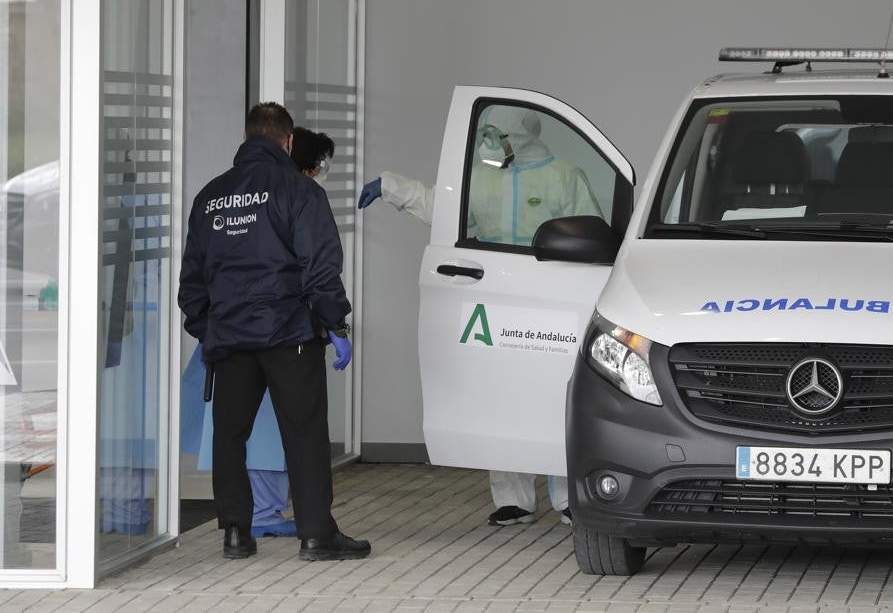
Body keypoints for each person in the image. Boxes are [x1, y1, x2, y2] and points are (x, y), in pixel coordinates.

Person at [358, 105, 601, 527]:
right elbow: (441, 207)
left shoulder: (563, 176)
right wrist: (392, 187)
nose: (490, 143)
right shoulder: (481, 177)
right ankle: (514, 499)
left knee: (554, 394)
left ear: (519, 136)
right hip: (496, 297)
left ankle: (567, 497)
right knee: (500, 394)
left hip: (551, 300)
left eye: (497, 135)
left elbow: (592, 232)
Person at [179, 102, 368, 561]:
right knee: (303, 432)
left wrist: (210, 328)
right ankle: (317, 536)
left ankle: (236, 534)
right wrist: (333, 322)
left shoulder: (211, 196)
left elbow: (192, 280)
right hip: (290, 336)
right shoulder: (299, 192)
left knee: (230, 434)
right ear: (287, 142)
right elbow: (321, 267)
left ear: (246, 138)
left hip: (231, 339)